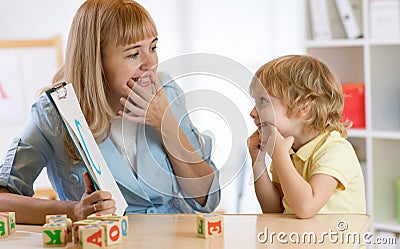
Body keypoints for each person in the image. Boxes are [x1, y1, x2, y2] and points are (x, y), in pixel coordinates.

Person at [0, 0, 220, 224]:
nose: (151, 63)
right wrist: (74, 211)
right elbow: (3, 200)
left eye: (153, 47)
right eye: (134, 55)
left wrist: (166, 124)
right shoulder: (53, 113)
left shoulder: (166, 93)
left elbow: (206, 199)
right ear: (95, 60)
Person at [248, 54, 366, 219]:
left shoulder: (335, 150)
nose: (253, 113)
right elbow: (274, 211)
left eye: (263, 102)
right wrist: (258, 161)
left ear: (303, 106)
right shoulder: (287, 151)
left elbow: (306, 207)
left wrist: (280, 155)